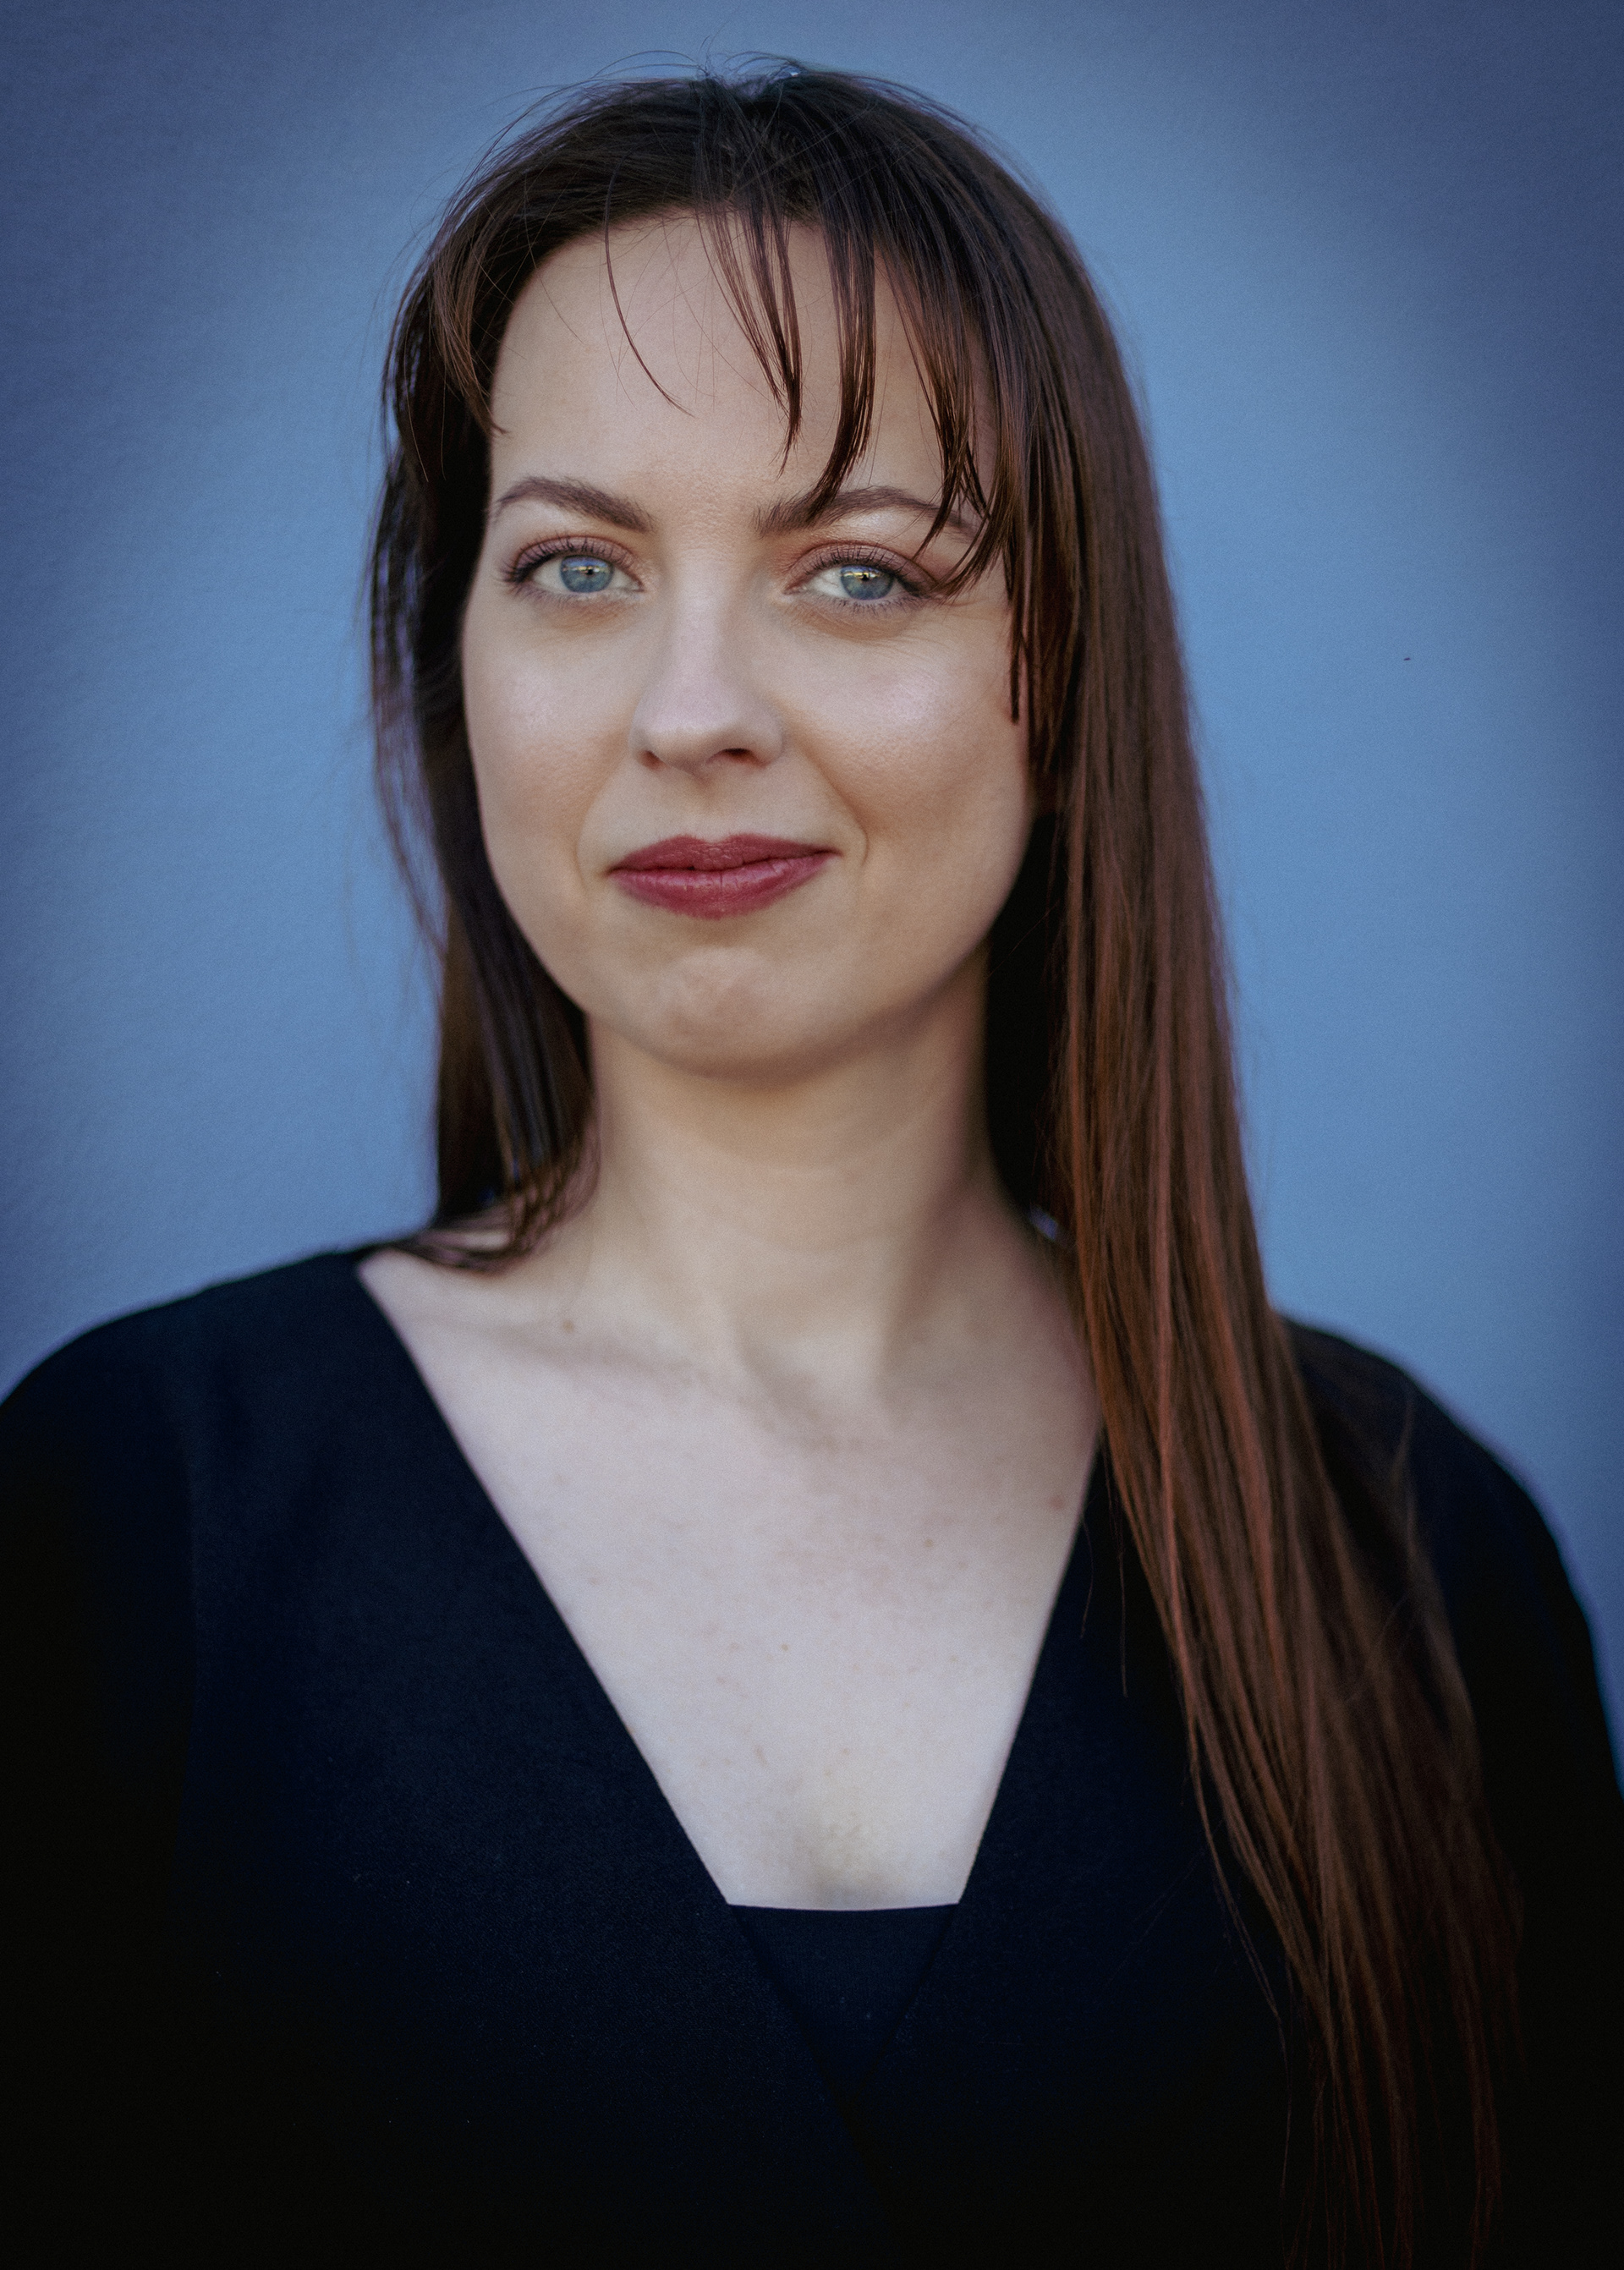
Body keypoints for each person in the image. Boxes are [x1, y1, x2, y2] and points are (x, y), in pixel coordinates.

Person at [4, 64, 1619, 2270]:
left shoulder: (1412, 1555)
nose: (692, 709)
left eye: (856, 572)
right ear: (455, 664)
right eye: (576, 566)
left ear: (1063, 672)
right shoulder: (131, 1518)